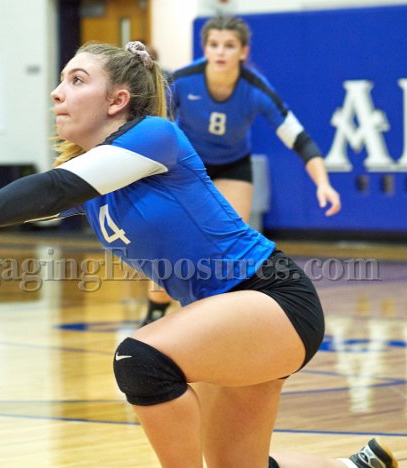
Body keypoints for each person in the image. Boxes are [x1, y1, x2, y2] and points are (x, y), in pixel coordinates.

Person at [0, 41, 407, 468]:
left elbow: (53, 189)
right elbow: (37, 198)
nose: (57, 92)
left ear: (117, 100)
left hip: (271, 298)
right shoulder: (93, 180)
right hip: (225, 319)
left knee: (140, 359)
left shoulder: (156, 136)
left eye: (76, 80)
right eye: (60, 81)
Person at [140, 15, 341, 327]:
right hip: (188, 166)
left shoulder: (255, 89)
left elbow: (298, 138)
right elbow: (154, 125)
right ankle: (155, 310)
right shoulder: (184, 80)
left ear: (243, 51)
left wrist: (323, 183)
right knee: (172, 241)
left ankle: (219, 319)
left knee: (228, 245)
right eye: (214, 44)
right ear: (205, 49)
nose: (220, 52)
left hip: (233, 166)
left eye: (229, 45)